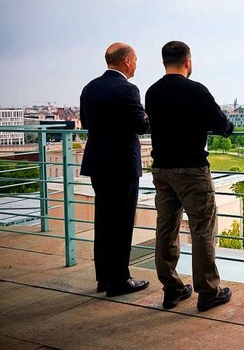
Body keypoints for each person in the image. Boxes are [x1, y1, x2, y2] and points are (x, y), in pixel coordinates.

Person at [145, 41, 234, 311]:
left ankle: (172, 289)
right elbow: (222, 125)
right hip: (192, 170)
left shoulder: (152, 92)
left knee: (166, 229)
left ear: (164, 62)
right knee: (202, 231)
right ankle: (207, 292)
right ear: (188, 61)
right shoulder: (196, 90)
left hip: (162, 170)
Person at [80, 42, 150, 297]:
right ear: (128, 61)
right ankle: (120, 279)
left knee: (104, 220)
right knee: (121, 223)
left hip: (98, 164)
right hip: (122, 165)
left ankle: (104, 278)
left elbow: (86, 122)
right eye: (136, 60)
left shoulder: (90, 88)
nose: (137, 65)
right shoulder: (128, 89)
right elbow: (141, 126)